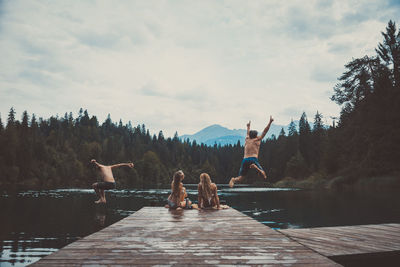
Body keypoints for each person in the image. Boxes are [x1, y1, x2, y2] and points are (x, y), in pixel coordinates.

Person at [229, 116, 274, 188]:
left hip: (245, 160)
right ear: (256, 136)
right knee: (264, 175)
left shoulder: (247, 139)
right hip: (253, 159)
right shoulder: (257, 140)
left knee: (241, 178)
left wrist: (248, 127)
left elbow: (247, 133)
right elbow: (265, 131)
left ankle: (233, 180)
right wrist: (270, 122)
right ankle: (255, 167)